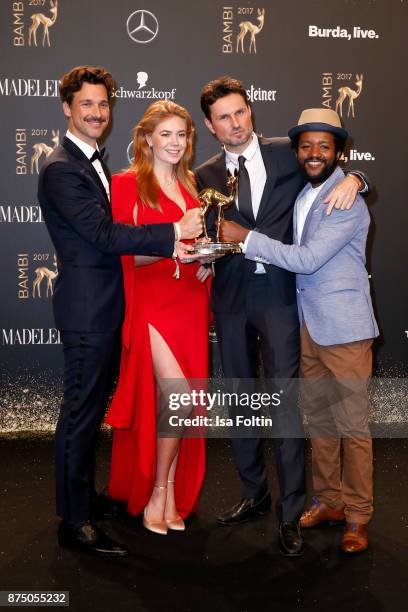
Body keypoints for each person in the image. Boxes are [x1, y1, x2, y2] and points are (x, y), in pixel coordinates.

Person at [195, 76, 369, 556]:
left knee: (288, 404)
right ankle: (255, 493)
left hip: (281, 296)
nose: (235, 124)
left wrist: (358, 178)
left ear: (251, 111)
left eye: (240, 112)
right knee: (241, 401)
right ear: (210, 126)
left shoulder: (286, 155)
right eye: (223, 118)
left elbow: (330, 170)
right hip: (229, 298)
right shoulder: (205, 174)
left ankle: (291, 511)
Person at [38, 66, 202, 557]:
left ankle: (85, 498)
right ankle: (74, 522)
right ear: (67, 108)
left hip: (109, 307)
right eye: (85, 104)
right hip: (88, 309)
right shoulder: (62, 166)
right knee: (79, 415)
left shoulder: (89, 163)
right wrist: (175, 234)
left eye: (102, 105)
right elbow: (106, 237)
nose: (95, 113)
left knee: (88, 416)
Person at [105, 100, 212, 535]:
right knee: (178, 395)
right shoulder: (126, 184)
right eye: (165, 134)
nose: (174, 142)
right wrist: (174, 245)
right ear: (146, 137)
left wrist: (204, 259)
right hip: (149, 302)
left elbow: (195, 243)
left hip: (189, 299)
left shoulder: (191, 183)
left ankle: (166, 490)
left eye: (181, 135)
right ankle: (156, 493)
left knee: (181, 404)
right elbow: (122, 252)